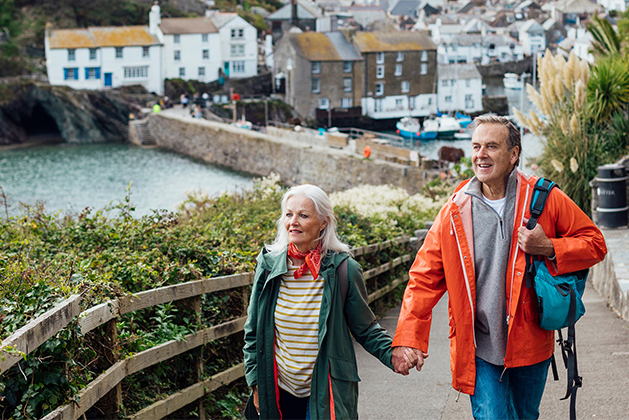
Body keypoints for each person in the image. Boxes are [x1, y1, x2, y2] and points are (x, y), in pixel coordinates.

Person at [390, 114, 607, 420]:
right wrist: (408, 339)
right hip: (478, 345)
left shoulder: (544, 198)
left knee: (524, 416)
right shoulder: (455, 210)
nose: (481, 154)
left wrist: (548, 247)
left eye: (492, 146)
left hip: (531, 339)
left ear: (513, 153)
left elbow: (595, 243)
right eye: (477, 146)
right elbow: (424, 277)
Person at [243, 184, 416, 419]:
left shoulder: (343, 270)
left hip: (326, 391)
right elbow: (253, 331)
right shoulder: (268, 267)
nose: (293, 221)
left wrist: (393, 354)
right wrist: (255, 384)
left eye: (303, 215)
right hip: (278, 390)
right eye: (289, 214)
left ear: (323, 222)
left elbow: (365, 328)